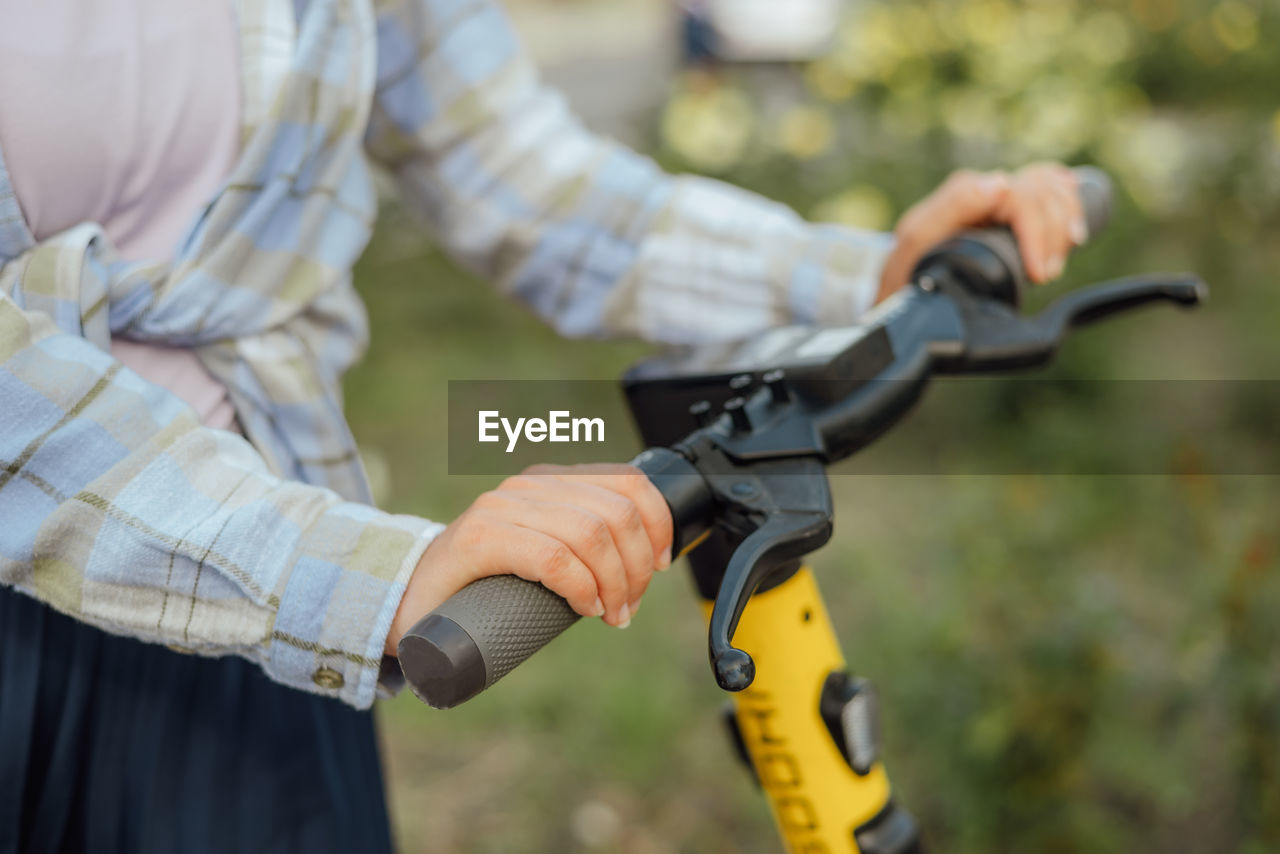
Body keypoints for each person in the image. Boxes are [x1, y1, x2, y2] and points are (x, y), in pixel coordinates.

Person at [0, 1, 1084, 851]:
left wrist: (861, 277)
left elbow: (516, 173)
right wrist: (361, 571)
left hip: (246, 642)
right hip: (199, 579)